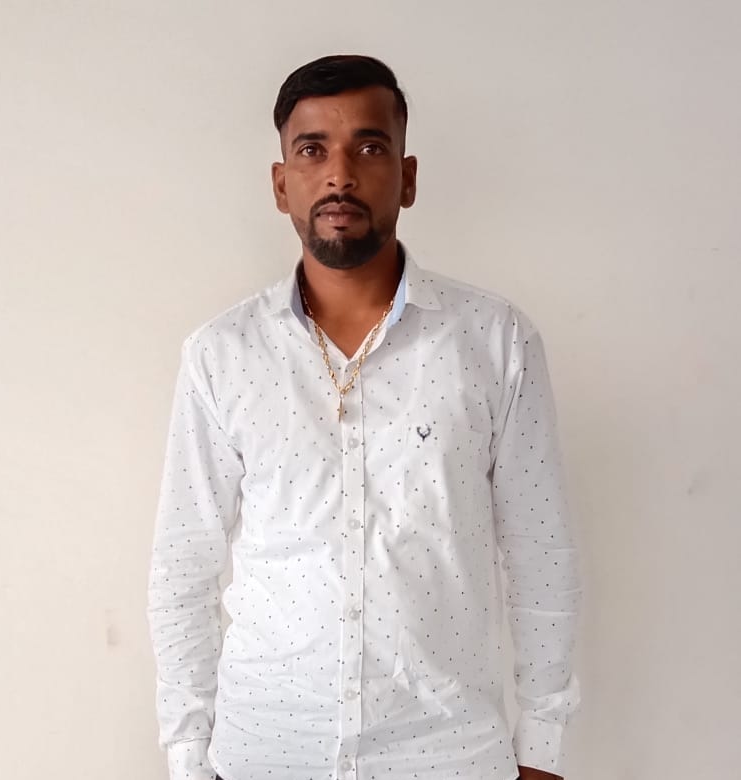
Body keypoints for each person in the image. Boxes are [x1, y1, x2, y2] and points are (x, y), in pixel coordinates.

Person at [147, 54, 581, 780]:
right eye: (312, 150)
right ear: (281, 183)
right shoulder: (221, 355)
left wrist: (542, 745)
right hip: (266, 754)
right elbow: (182, 565)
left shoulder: (494, 342)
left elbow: (542, 555)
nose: (340, 175)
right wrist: (189, 756)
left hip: (447, 756)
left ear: (407, 177)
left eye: (369, 148)